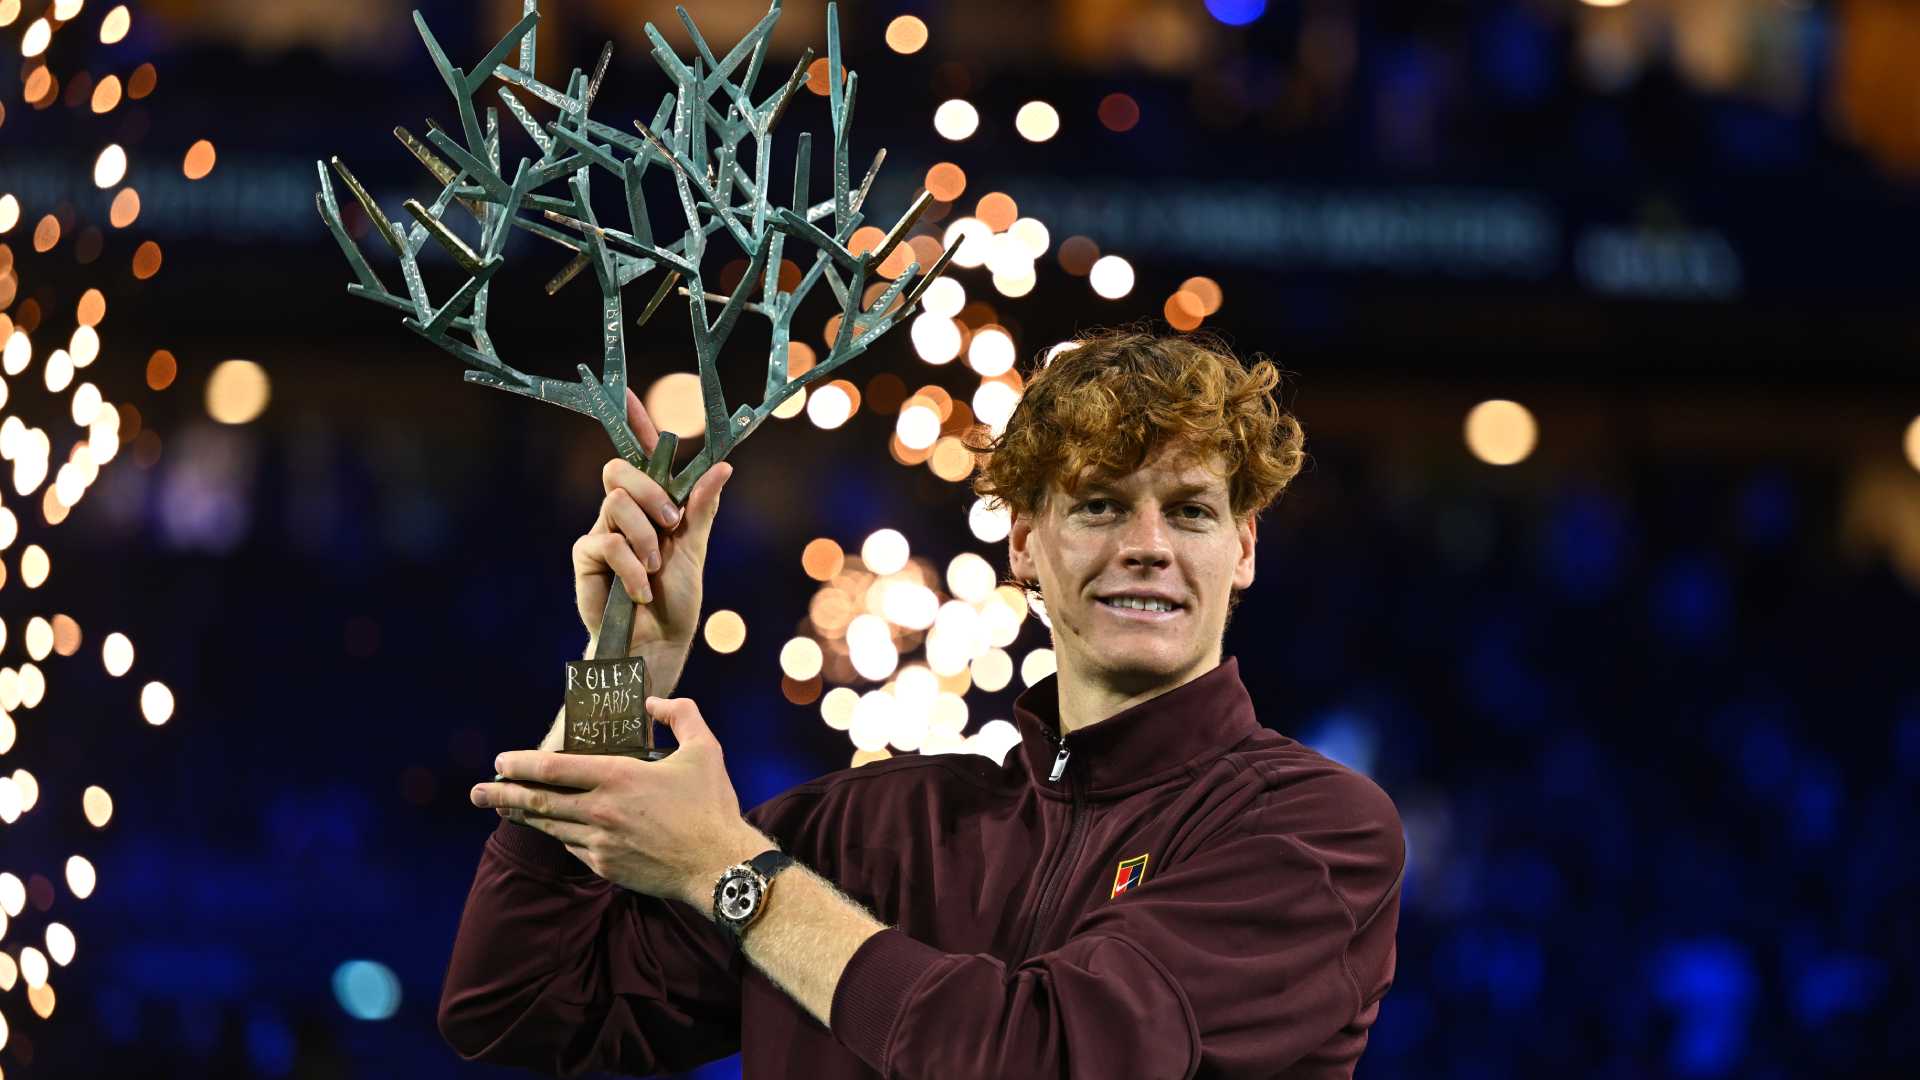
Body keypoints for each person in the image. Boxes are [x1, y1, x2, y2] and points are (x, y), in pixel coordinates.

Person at [442, 328, 1404, 1078]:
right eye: (1101, 504)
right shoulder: (865, 828)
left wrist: (731, 871)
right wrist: (627, 668)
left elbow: (1037, 1061)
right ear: (1025, 544)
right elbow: (518, 999)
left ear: (1242, 548)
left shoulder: (1313, 832)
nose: (1147, 544)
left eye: (1190, 510)